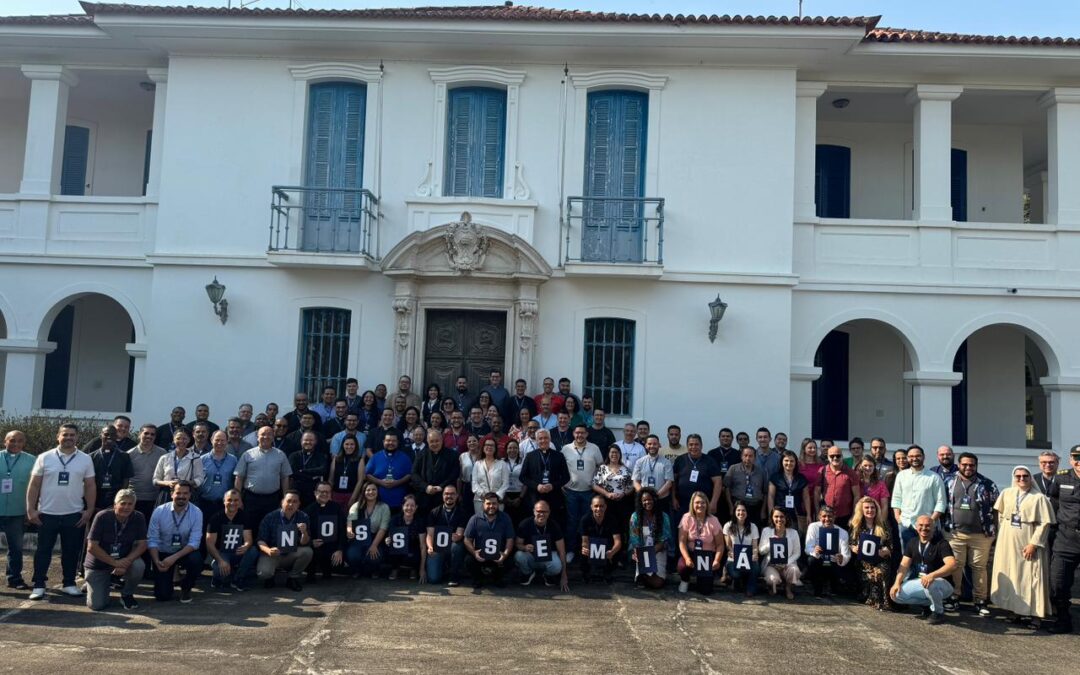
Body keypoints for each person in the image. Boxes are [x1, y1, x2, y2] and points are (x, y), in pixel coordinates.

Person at [27, 423, 96, 600]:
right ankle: (39, 584)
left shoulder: (85, 459)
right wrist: (31, 509)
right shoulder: (45, 457)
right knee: (43, 551)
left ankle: (69, 583)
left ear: (77, 438)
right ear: (58, 436)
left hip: (73, 514)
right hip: (46, 514)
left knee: (71, 551)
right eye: (65, 435)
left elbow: (90, 485)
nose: (68, 438)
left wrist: (89, 510)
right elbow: (34, 484)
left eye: (72, 435)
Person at [990, 465, 1055, 626]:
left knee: (1031, 578)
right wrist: (1002, 537)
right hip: (1008, 542)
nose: (1021, 479)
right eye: (1018, 476)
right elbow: (1000, 516)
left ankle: (1035, 616)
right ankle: (1014, 611)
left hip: (1028, 541)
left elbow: (1044, 523)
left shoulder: (1038, 498)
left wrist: (1033, 543)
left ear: (1030, 478)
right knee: (1011, 575)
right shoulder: (1007, 493)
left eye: (1025, 476)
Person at [941, 452, 999, 616]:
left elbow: (996, 509)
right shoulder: (948, 481)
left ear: (976, 465)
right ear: (958, 464)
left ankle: (980, 601)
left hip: (981, 535)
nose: (968, 467)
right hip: (954, 533)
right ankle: (954, 597)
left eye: (971, 465)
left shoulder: (987, 484)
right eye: (964, 464)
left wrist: (996, 531)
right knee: (955, 566)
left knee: (979, 567)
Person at [83, 488, 146, 611]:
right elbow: (92, 546)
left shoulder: (138, 517)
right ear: (115, 504)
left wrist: (127, 561)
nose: (126, 507)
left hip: (123, 561)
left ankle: (127, 594)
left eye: (130, 504)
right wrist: (115, 563)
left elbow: (143, 544)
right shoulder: (102, 517)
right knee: (97, 605)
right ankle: (103, 582)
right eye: (123, 503)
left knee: (139, 566)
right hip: (99, 564)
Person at [890, 515, 957, 625]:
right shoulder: (912, 542)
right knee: (896, 595)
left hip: (942, 584)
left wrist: (933, 575)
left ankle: (938, 612)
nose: (924, 528)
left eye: (928, 526)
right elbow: (904, 566)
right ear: (916, 527)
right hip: (922, 581)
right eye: (921, 525)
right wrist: (897, 583)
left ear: (934, 528)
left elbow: (952, 565)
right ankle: (928, 606)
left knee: (931, 584)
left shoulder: (942, 543)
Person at [147, 481, 203, 602]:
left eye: (185, 493)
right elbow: (152, 539)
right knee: (162, 596)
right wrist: (156, 561)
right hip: (163, 553)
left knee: (196, 559)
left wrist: (174, 558)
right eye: (178, 493)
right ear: (172, 494)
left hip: (183, 552)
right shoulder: (159, 511)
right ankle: (167, 582)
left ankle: (186, 587)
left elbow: (194, 542)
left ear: (190, 495)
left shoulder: (197, 512)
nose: (181, 496)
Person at [1048, 444, 1080, 633]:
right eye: (1076, 457)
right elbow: (1053, 503)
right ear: (1070, 460)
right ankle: (1063, 619)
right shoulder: (1061, 478)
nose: (1079, 462)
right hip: (1066, 537)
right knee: (1058, 582)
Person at [234, 425, 293, 529]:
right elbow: (239, 477)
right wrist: (237, 498)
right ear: (257, 436)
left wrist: (285, 498)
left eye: (269, 434)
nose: (266, 437)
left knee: (271, 526)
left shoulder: (280, 455)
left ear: (273, 436)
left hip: (272, 499)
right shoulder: (248, 454)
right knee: (250, 526)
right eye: (263, 434)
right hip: (251, 498)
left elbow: (285, 478)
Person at [890, 445, 946, 551]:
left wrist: (930, 520)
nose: (914, 458)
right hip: (906, 524)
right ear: (907, 458)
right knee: (908, 558)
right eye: (911, 456)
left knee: (928, 559)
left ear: (923, 457)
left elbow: (941, 503)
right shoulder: (901, 476)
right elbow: (896, 498)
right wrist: (898, 517)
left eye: (917, 456)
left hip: (927, 527)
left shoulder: (934, 477)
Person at [255, 490, 313, 591]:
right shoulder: (270, 517)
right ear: (282, 502)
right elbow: (260, 540)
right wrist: (268, 550)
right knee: (264, 573)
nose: (291, 504)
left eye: (295, 502)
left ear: (299, 504)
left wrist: (304, 533)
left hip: (291, 553)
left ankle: (293, 578)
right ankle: (270, 577)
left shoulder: (303, 517)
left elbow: (305, 542)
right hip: (273, 554)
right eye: (288, 501)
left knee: (307, 551)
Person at [562, 425, 604, 554]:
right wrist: (562, 485)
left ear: (587, 434)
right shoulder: (566, 449)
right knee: (571, 522)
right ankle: (571, 550)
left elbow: (601, 466)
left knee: (588, 521)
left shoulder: (594, 448)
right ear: (573, 434)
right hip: (571, 492)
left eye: (582, 433)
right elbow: (560, 467)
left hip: (589, 492)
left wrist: (596, 483)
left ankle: (588, 551)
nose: (579, 435)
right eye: (577, 433)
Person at [205, 489, 258, 591]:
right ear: (224, 501)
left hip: (237, 551)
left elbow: (248, 539)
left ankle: (238, 579)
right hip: (221, 553)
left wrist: (246, 546)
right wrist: (220, 561)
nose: (233, 503)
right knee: (219, 572)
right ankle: (217, 576)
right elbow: (209, 543)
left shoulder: (245, 516)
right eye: (229, 500)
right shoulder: (215, 518)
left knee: (253, 551)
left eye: (236, 500)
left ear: (240, 502)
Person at [1, 431, 34, 590]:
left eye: (20, 441)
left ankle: (14, 578)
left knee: (15, 547)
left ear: (24, 443)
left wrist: (32, 509)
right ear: (5, 441)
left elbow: (36, 487)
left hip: (17, 511)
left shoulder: (32, 460)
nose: (16, 444)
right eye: (12, 440)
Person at [519, 429, 570, 531]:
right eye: (540, 438)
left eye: (546, 438)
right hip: (535, 496)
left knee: (554, 523)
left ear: (550, 439)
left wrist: (553, 485)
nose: (543, 441)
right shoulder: (530, 456)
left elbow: (566, 477)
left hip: (554, 496)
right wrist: (536, 486)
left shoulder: (559, 456)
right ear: (537, 441)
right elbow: (522, 477)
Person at [514, 499, 570, 590]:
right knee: (518, 555)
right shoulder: (525, 524)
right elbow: (517, 544)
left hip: (548, 557)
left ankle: (547, 575)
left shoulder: (554, 525)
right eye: (539, 511)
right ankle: (528, 573)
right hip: (531, 556)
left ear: (549, 512)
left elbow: (562, 550)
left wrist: (564, 575)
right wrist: (524, 547)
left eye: (545, 512)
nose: (542, 514)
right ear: (534, 511)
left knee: (557, 566)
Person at [848, 497, 893, 610]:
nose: (870, 510)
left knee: (881, 572)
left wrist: (886, 551)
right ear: (861, 510)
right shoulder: (855, 525)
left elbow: (890, 546)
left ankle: (882, 601)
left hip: (880, 559)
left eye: (872, 507)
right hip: (863, 560)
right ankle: (870, 598)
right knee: (869, 574)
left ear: (877, 510)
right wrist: (853, 548)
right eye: (867, 508)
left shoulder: (884, 525)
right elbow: (849, 543)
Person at [464, 492, 515, 587]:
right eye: (488, 503)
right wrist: (474, 552)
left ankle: (498, 578)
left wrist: (505, 554)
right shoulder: (474, 519)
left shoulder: (505, 518)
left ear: (498, 504)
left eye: (494, 503)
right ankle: (478, 579)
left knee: (510, 560)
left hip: (499, 555)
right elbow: (467, 539)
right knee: (468, 560)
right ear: (483, 504)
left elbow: (510, 539)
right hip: (480, 555)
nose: (491, 506)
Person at [677, 491, 725, 594]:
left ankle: (701, 581)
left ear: (707, 504)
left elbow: (720, 545)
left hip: (707, 557)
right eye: (697, 503)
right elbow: (682, 542)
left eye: (703, 503)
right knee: (682, 567)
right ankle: (685, 580)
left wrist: (717, 560)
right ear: (692, 504)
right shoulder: (686, 517)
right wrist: (687, 558)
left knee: (706, 591)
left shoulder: (714, 520)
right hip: (691, 553)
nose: (700, 505)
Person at [423, 484, 468, 586]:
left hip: (453, 545)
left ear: (457, 496)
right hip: (437, 547)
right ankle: (442, 569)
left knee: (457, 547)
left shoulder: (462, 512)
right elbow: (430, 534)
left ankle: (454, 576)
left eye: (452, 494)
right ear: (442, 496)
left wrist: (457, 536)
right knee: (433, 579)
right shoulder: (434, 512)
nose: (449, 496)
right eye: (446, 494)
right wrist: (430, 547)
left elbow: (460, 534)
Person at [628, 487, 672, 589]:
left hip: (658, 550)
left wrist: (651, 551)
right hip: (641, 550)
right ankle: (642, 576)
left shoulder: (664, 516)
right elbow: (634, 539)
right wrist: (638, 553)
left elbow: (664, 539)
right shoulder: (635, 517)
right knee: (648, 577)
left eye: (650, 499)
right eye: (644, 500)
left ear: (655, 500)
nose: (647, 502)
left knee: (658, 583)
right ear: (640, 502)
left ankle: (643, 577)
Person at [672, 434, 722, 519]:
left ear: (701, 446)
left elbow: (718, 482)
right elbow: (673, 481)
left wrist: (714, 502)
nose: (693, 447)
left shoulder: (710, 461)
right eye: (691, 445)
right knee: (683, 528)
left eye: (696, 444)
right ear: (687, 446)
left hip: (703, 504)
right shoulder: (680, 460)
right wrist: (673, 498)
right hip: (683, 504)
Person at [805, 506, 851, 597]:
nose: (827, 519)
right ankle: (817, 588)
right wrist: (814, 551)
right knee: (811, 560)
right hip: (819, 560)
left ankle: (833, 587)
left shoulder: (843, 533)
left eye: (830, 516)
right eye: (824, 516)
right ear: (819, 517)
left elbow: (847, 555)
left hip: (834, 563)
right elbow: (807, 548)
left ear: (834, 517)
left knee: (837, 588)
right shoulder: (813, 527)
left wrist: (841, 558)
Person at [346, 482, 390, 578]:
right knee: (353, 556)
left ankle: (374, 570)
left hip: (375, 538)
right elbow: (350, 521)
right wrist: (349, 531)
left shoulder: (384, 507)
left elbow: (383, 528)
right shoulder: (356, 506)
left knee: (374, 557)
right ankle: (357, 570)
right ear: (364, 492)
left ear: (378, 492)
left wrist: (374, 545)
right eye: (368, 490)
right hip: (358, 538)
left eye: (374, 489)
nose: (371, 492)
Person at [411, 428, 461, 513]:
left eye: (437, 441)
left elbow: (454, 474)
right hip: (424, 496)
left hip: (443, 496)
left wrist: (441, 486)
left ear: (442, 440)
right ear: (428, 442)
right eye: (432, 441)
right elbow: (414, 474)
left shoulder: (452, 455)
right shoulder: (421, 454)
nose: (434, 444)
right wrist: (426, 487)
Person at [304, 481, 345, 583]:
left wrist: (340, 550)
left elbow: (342, 530)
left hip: (332, 548)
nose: (325, 494)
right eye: (321, 492)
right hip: (315, 547)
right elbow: (303, 532)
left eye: (327, 492)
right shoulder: (308, 510)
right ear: (315, 493)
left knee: (338, 565)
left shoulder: (337, 508)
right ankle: (311, 573)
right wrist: (311, 542)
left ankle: (328, 570)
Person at [578, 495, 622, 584]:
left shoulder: (612, 519)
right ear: (591, 507)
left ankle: (608, 572)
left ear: (605, 507)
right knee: (582, 551)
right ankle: (586, 573)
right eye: (596, 506)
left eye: (601, 506)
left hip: (607, 549)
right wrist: (585, 549)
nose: (599, 509)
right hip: (591, 549)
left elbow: (618, 541)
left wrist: (612, 551)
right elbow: (584, 541)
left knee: (617, 551)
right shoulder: (585, 520)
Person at [759, 507, 801, 599]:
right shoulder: (766, 531)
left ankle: (788, 588)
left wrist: (786, 562)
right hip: (771, 565)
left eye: (782, 517)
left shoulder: (793, 533)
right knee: (772, 580)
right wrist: (770, 543)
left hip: (787, 565)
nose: (779, 519)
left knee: (795, 570)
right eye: (776, 516)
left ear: (786, 518)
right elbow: (761, 551)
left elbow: (797, 553)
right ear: (772, 518)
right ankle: (772, 585)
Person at [128, 424, 166, 523]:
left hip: (155, 499)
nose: (149, 436)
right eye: (146, 433)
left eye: (152, 434)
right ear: (139, 434)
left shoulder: (162, 453)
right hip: (134, 498)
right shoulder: (129, 454)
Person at [592, 445, 634, 534]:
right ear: (608, 454)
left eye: (617, 452)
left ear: (620, 454)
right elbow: (594, 485)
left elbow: (632, 486)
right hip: (606, 502)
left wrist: (624, 494)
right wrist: (607, 494)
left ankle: (622, 546)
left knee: (622, 525)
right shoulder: (602, 468)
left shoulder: (626, 469)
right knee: (608, 524)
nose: (614, 454)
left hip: (622, 502)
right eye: (612, 452)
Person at [816, 445, 860, 530]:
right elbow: (816, 492)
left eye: (838, 455)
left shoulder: (851, 472)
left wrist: (853, 515)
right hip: (826, 516)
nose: (835, 458)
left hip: (844, 516)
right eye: (832, 456)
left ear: (842, 456)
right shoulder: (822, 471)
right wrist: (818, 512)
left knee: (843, 541)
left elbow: (857, 495)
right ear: (828, 457)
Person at [153, 428, 205, 500]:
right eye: (178, 438)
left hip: (186, 494)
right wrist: (168, 483)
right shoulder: (165, 457)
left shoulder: (195, 458)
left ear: (189, 440)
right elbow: (155, 480)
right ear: (173, 440)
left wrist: (185, 483)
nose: (181, 441)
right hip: (167, 493)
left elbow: (199, 479)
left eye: (184, 438)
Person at [723, 447, 767, 527]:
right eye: (745, 455)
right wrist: (730, 507)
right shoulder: (733, 469)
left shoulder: (761, 471)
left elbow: (765, 492)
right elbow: (727, 488)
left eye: (751, 456)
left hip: (755, 508)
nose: (748, 458)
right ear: (741, 456)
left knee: (754, 532)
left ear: (755, 457)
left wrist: (763, 511)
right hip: (738, 508)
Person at [768, 449, 811, 531]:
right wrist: (771, 514)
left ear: (795, 463)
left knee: (795, 538)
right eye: (786, 460)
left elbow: (806, 497)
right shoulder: (775, 477)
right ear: (782, 462)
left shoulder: (801, 478)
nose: (789, 463)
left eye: (792, 461)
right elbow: (771, 496)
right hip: (779, 514)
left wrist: (808, 514)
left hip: (796, 514)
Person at [722, 501, 759, 596]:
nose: (741, 513)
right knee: (736, 574)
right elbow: (728, 545)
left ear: (747, 512)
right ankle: (732, 577)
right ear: (734, 512)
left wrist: (755, 554)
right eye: (738, 510)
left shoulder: (753, 527)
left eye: (743, 510)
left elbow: (755, 546)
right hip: (733, 559)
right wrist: (730, 552)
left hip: (748, 559)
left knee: (755, 568)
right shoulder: (728, 525)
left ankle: (750, 588)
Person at [200, 430, 239, 519]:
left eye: (222, 440)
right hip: (205, 502)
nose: (219, 443)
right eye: (217, 440)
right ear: (211, 440)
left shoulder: (233, 460)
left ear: (227, 441)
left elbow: (236, 480)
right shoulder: (202, 459)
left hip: (225, 504)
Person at [384, 494, 424, 580]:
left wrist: (422, 569)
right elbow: (390, 537)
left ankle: (414, 569)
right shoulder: (395, 519)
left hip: (413, 549)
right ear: (402, 506)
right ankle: (394, 568)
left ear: (416, 507)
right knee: (390, 546)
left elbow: (423, 545)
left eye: (412, 506)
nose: (409, 508)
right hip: (398, 549)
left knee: (417, 552)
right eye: (407, 505)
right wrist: (388, 540)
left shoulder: (420, 521)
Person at [288, 431, 329, 509]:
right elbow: (293, 472)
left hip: (313, 493)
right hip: (297, 491)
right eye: (306, 440)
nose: (308, 442)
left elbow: (323, 470)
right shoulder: (294, 456)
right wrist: (312, 476)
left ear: (315, 442)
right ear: (301, 441)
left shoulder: (320, 456)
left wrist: (303, 471)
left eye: (311, 440)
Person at [471, 437, 509, 516]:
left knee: (497, 523)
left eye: (492, 445)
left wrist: (496, 496)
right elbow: (474, 483)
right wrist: (484, 495)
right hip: (480, 500)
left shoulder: (502, 464)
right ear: (483, 447)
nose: (489, 447)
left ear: (495, 448)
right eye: (487, 445)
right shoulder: (478, 464)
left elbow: (505, 483)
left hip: (497, 501)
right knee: (481, 523)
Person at [329, 436, 365, 508]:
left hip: (351, 494)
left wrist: (353, 498)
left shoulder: (360, 460)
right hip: (336, 494)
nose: (349, 446)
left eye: (352, 444)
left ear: (356, 446)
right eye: (347, 444)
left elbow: (360, 481)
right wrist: (329, 495)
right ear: (343, 445)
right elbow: (331, 480)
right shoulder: (336, 459)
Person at [503, 440, 526, 525]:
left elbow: (525, 481)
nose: (512, 450)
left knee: (519, 520)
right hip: (505, 495)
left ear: (518, 450)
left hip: (519, 495)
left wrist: (520, 498)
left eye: (515, 448)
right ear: (506, 450)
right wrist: (504, 496)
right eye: (510, 448)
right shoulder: (501, 462)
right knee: (506, 521)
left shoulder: (524, 462)